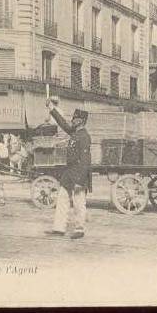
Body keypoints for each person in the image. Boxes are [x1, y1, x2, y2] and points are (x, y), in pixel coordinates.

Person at [44, 100, 91, 240]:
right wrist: (52, 109)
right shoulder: (75, 132)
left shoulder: (84, 136)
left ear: (81, 121)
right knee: (62, 199)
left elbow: (85, 161)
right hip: (69, 173)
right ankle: (59, 228)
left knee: (78, 202)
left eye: (76, 119)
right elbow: (63, 123)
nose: (73, 120)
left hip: (78, 174)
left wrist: (80, 181)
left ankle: (79, 229)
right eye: (73, 118)